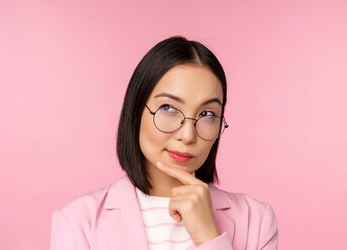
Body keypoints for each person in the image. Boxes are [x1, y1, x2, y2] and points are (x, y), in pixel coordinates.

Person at [50, 36, 278, 250]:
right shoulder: (76, 221)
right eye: (168, 108)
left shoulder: (256, 220)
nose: (188, 135)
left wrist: (208, 236)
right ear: (136, 111)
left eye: (207, 114)